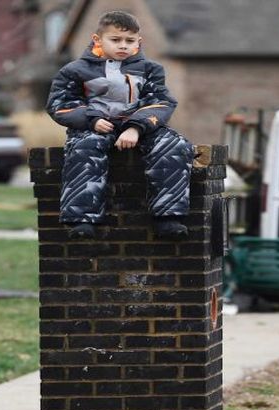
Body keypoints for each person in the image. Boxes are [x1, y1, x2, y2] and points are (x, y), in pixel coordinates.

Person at [46, 11, 194, 240]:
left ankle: (168, 218)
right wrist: (92, 119)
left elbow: (161, 102)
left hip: (138, 125)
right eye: (115, 40)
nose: (123, 45)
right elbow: (60, 104)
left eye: (129, 40)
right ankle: (82, 220)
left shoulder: (150, 70)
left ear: (138, 41)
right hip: (94, 126)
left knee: (174, 145)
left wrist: (136, 127)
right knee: (84, 148)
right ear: (98, 40)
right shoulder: (74, 70)